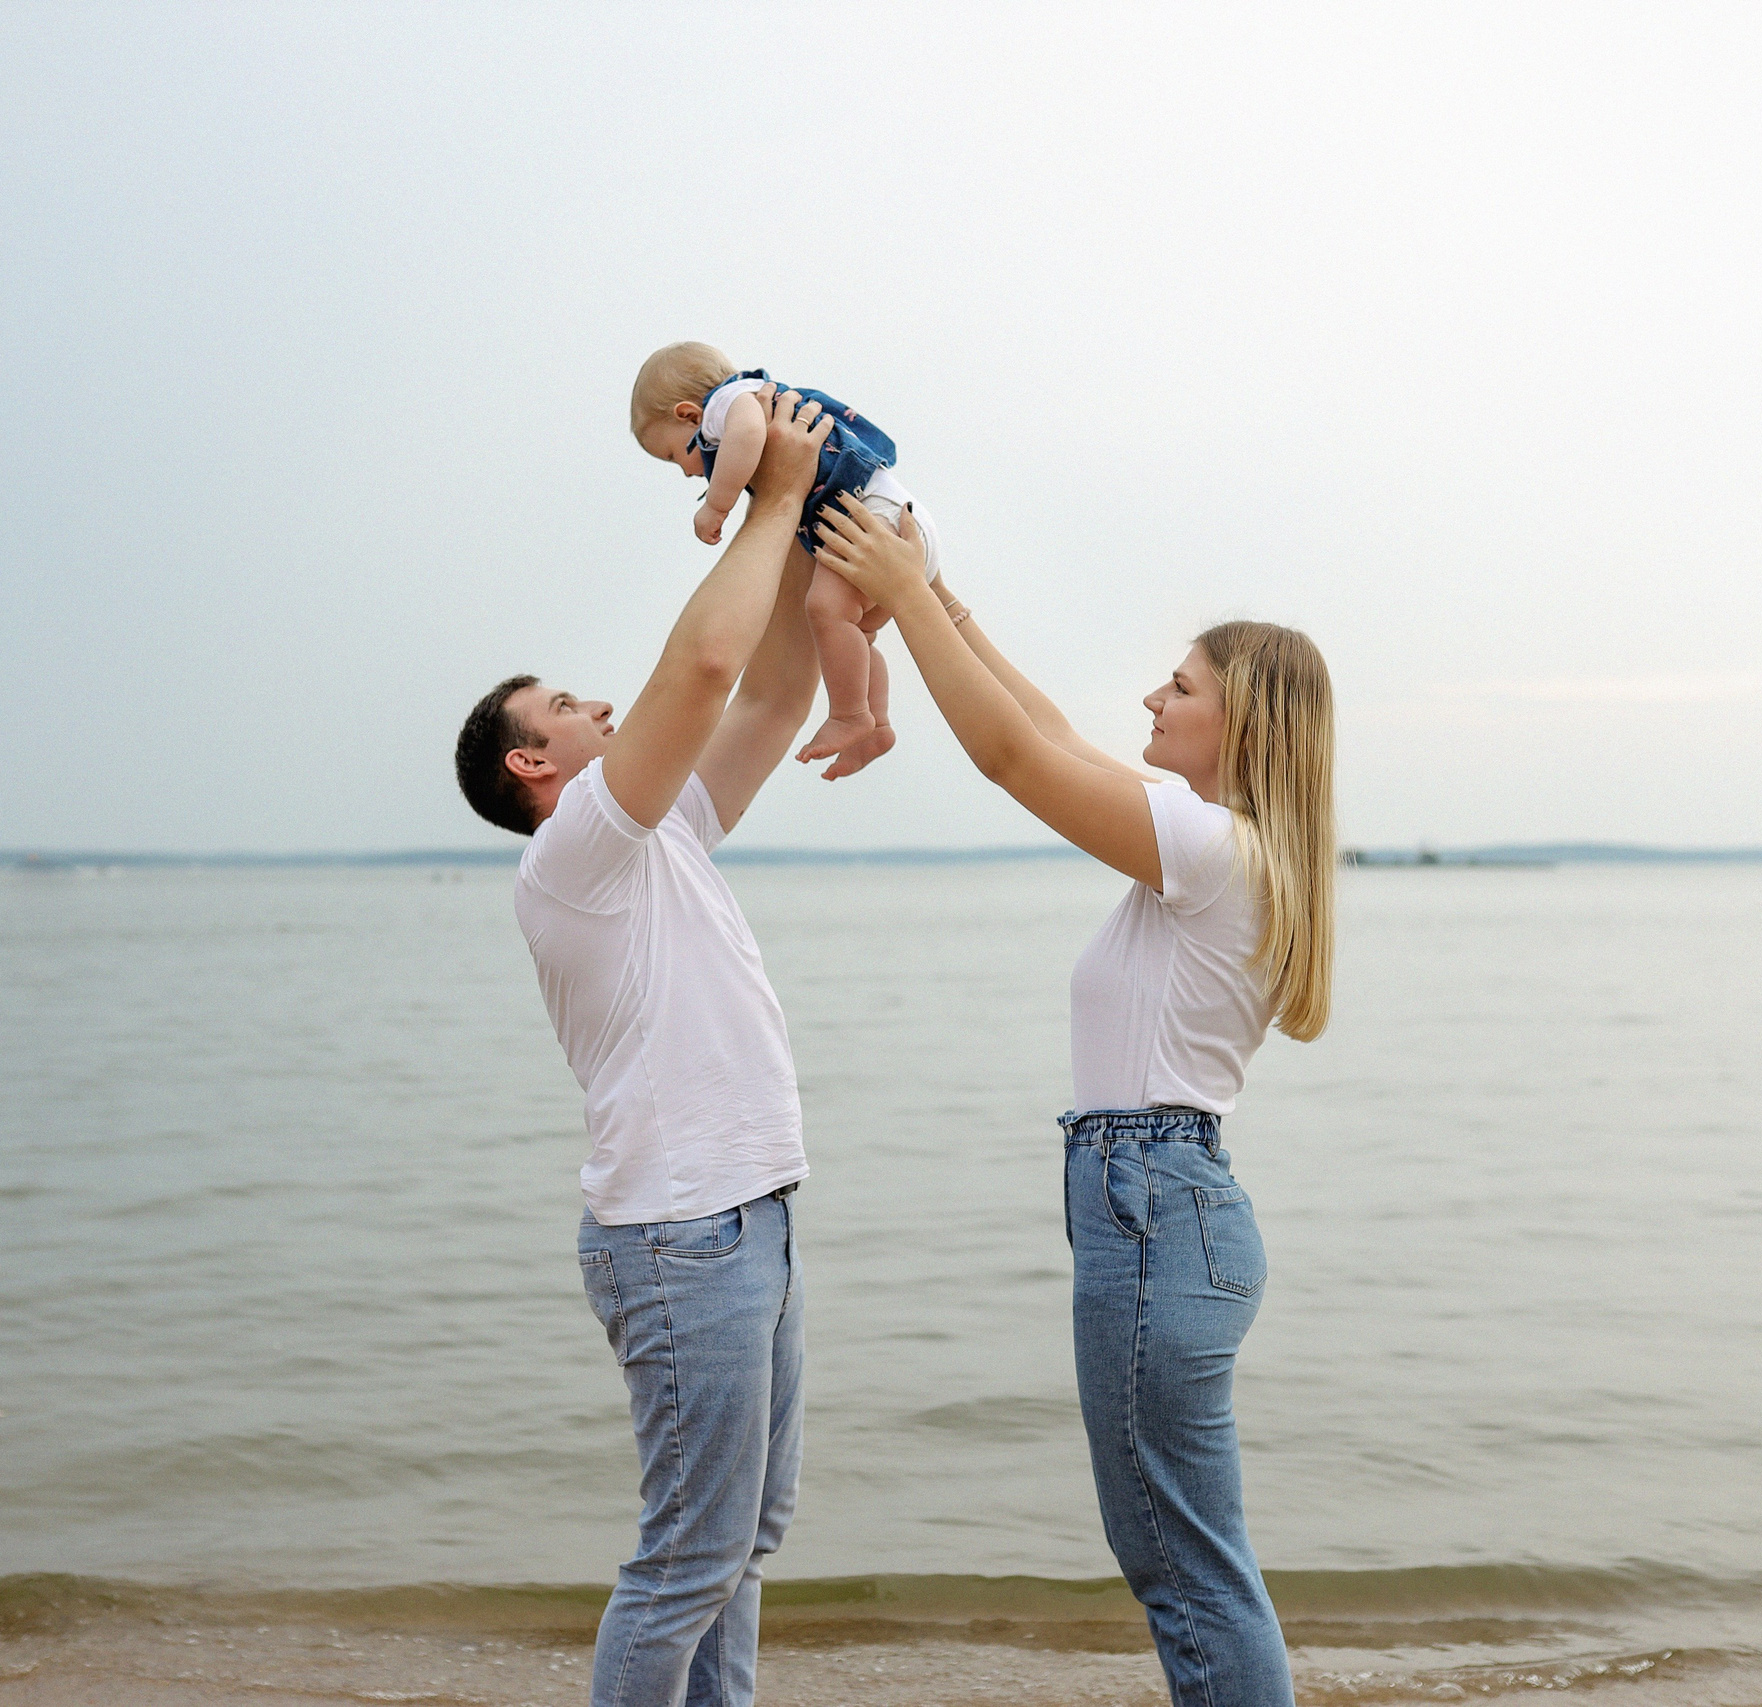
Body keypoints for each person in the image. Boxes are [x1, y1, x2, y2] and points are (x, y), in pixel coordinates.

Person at [813, 494, 1336, 1707]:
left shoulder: (1210, 850)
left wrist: (898, 589)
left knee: (1183, 1568)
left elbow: (1010, 758)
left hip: (1156, 1208)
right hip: (1163, 1204)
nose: (1154, 700)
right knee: (1184, 1558)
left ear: (1241, 720)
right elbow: (1040, 727)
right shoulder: (1216, 848)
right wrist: (930, 592)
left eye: (1180, 686)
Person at [451, 385, 833, 1707]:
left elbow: (774, 693)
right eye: (565, 703)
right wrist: (767, 495)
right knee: (689, 1557)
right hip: (682, 1234)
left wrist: (814, 512)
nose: (600, 699)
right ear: (530, 770)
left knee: (743, 1546)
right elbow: (702, 670)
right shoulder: (577, 854)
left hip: (750, 1219)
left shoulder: (657, 827)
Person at [630, 340, 942, 780]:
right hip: (895, 523)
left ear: (689, 415)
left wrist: (717, 505)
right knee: (855, 635)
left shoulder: (729, 403)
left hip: (877, 517)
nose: (685, 471)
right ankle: (876, 724)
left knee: (823, 610)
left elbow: (748, 436)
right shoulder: (751, 401)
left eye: (674, 454)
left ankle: (849, 714)